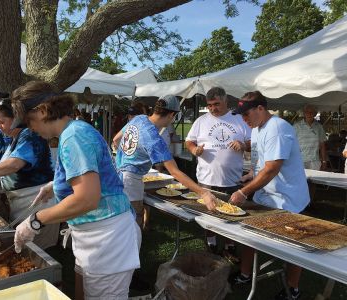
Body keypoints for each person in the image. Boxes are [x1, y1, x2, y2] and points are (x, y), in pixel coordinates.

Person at [11, 81, 140, 300]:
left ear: (42, 111)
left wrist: (36, 220)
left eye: (28, 121)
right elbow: (92, 172)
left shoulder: (73, 136)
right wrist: (55, 185)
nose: (29, 128)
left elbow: (87, 199)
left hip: (106, 239)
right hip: (93, 236)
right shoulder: (72, 131)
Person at [230, 91, 310, 300]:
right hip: (266, 196)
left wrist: (243, 191)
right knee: (248, 235)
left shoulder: (277, 128)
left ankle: (292, 288)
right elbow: (262, 163)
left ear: (260, 108)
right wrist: (251, 175)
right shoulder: (256, 129)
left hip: (288, 199)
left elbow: (273, 168)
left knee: (294, 246)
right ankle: (246, 274)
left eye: (246, 114)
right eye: (241, 115)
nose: (244, 119)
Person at [0, 98, 58, 249]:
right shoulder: (15, 139)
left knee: (38, 250)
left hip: (37, 200)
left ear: (16, 119)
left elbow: (14, 164)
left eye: (1, 122)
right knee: (24, 245)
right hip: (21, 201)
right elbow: (5, 166)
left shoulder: (30, 135)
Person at [115, 94, 219, 229]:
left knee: (121, 217)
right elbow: (174, 172)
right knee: (133, 221)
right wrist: (203, 192)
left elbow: (116, 139)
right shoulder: (154, 139)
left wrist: (127, 155)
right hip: (131, 181)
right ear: (171, 115)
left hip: (117, 175)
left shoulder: (139, 118)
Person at [185, 86, 251, 256]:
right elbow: (189, 141)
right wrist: (194, 150)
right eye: (209, 105)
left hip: (233, 179)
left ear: (226, 101)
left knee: (231, 214)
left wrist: (243, 145)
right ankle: (211, 242)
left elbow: (253, 142)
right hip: (206, 179)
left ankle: (230, 245)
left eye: (216, 104)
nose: (213, 108)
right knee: (209, 214)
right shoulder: (201, 121)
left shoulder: (239, 119)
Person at [293, 104, 327, 171]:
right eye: (307, 112)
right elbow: (291, 144)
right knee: (301, 180)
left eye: (312, 112)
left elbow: (322, 145)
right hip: (300, 160)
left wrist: (324, 161)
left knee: (315, 180)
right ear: (304, 113)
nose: (309, 114)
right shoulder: (296, 126)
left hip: (315, 160)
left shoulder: (319, 127)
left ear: (315, 114)